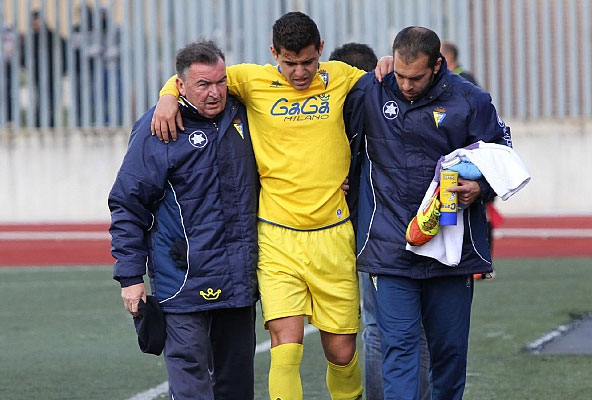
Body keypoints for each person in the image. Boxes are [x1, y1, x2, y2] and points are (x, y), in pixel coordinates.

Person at [152, 12, 365, 400]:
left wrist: (384, 63)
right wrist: (168, 96)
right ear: (274, 54)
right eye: (289, 63)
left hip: (333, 235)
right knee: (286, 346)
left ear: (320, 50)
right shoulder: (252, 79)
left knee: (342, 352)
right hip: (276, 236)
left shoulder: (341, 75)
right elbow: (195, 76)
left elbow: (385, 81)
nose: (299, 72)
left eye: (307, 62)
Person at [345, 27, 512, 399]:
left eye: (415, 77)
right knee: (399, 351)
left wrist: (480, 187)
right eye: (400, 75)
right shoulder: (370, 90)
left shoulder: (471, 99)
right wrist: (179, 92)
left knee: (449, 358)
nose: (405, 84)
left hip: (452, 250)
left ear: (438, 65)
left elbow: (502, 152)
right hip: (391, 247)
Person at [109, 41, 259, 400]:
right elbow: (128, 205)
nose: (215, 93)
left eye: (221, 82)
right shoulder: (158, 128)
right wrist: (130, 278)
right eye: (203, 85)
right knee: (192, 388)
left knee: (237, 389)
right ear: (180, 87)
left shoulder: (247, 115)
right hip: (182, 284)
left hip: (238, 284)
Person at [330, 42, 431, 400]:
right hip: (408, 224)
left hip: (367, 227)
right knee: (412, 329)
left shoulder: (348, 103)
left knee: (376, 327)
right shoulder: (390, 99)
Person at [441, 41, 502, 270]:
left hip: (470, 158)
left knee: (481, 210)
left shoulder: (464, 80)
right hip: (453, 159)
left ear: (447, 57)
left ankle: (484, 261)